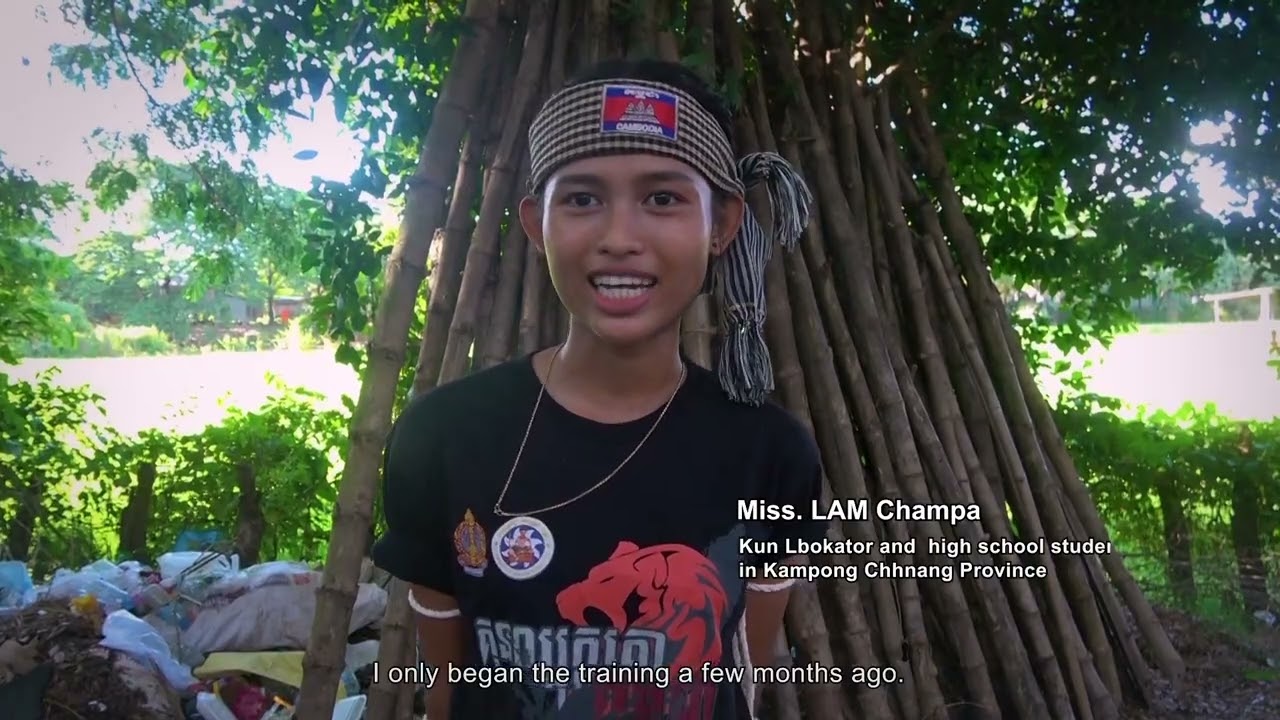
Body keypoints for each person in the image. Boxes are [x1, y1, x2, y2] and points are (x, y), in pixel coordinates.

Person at [372, 57, 826, 720]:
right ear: (536, 225)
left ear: (722, 225)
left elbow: (742, 671)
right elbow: (447, 687)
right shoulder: (442, 437)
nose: (619, 239)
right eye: (582, 198)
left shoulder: (771, 454)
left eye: (663, 198)